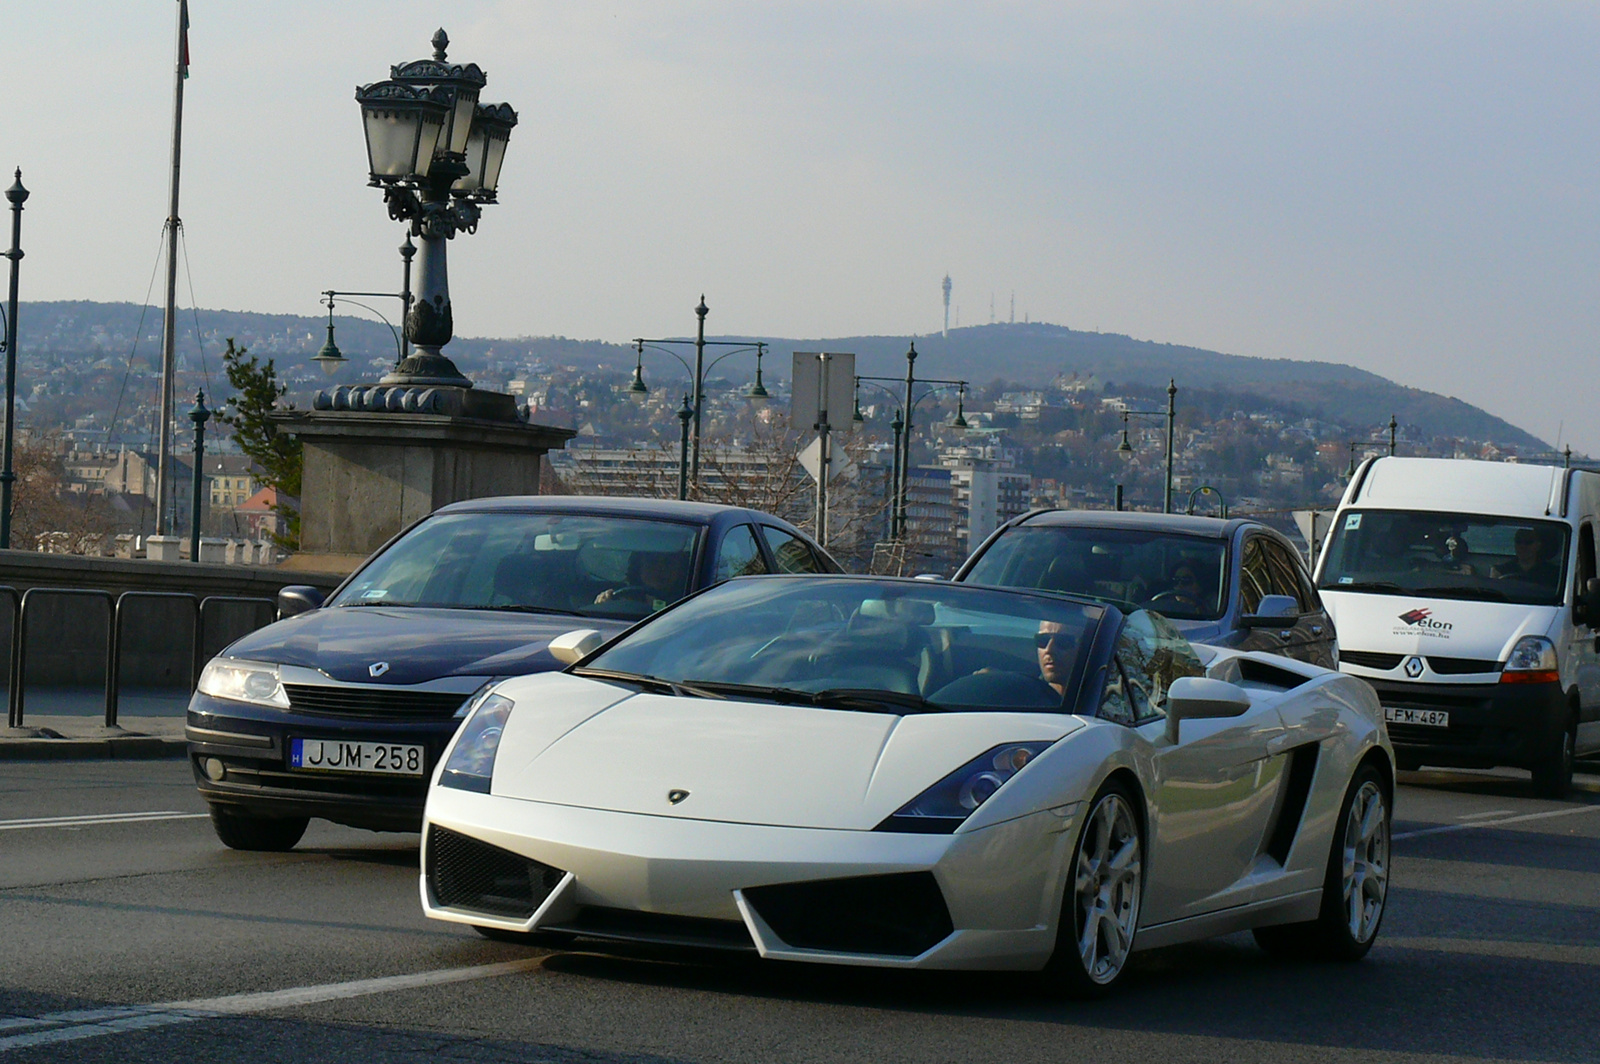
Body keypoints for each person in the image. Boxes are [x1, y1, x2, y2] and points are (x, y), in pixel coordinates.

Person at [594, 550, 691, 612]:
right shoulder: (623, 600)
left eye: (669, 562)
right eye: (652, 562)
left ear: (681, 568)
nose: (660, 569)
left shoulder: (692, 605)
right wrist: (604, 605)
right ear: (638, 567)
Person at [1491, 528, 1560, 585]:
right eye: (1519, 541)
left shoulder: (1553, 573)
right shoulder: (1500, 571)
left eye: (1528, 542)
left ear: (1538, 545)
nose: (1522, 546)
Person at [1036, 620, 1076, 696]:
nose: (1049, 649)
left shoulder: (1101, 703)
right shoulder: (1026, 696)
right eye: (1042, 639)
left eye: (1062, 641)